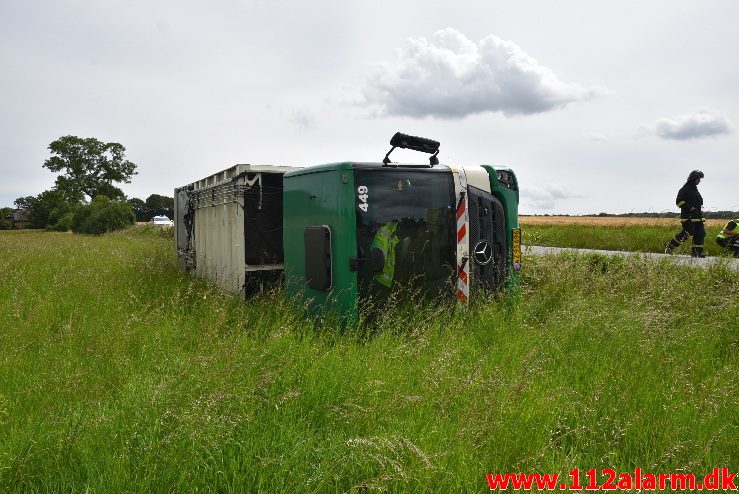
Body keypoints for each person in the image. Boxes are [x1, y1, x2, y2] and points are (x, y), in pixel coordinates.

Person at [664, 170, 706, 257]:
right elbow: (678, 202)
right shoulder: (684, 190)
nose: (699, 181)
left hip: (698, 217)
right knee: (688, 232)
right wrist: (690, 207)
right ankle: (670, 246)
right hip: (688, 217)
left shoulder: (695, 191)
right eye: (698, 179)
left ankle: (697, 252)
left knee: (701, 233)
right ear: (693, 179)